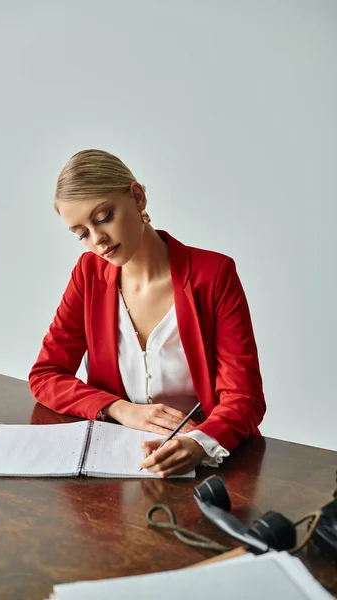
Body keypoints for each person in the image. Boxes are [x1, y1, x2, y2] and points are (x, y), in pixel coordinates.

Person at [29, 149, 266, 477]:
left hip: (210, 466)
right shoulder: (88, 274)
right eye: (82, 233)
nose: (98, 240)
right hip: (116, 464)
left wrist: (199, 444)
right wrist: (121, 410)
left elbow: (244, 396)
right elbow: (46, 375)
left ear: (137, 197)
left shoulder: (214, 275)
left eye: (104, 217)